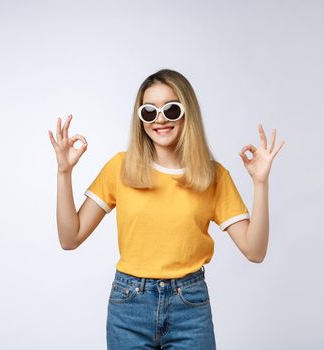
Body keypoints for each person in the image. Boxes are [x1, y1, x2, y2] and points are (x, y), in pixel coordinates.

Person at [48, 69, 285, 349]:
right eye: (149, 112)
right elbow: (70, 238)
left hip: (190, 307)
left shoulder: (213, 176)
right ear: (140, 120)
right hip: (129, 307)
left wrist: (260, 183)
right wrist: (64, 172)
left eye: (171, 109)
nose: (160, 119)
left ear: (187, 113)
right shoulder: (120, 168)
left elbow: (254, 251)